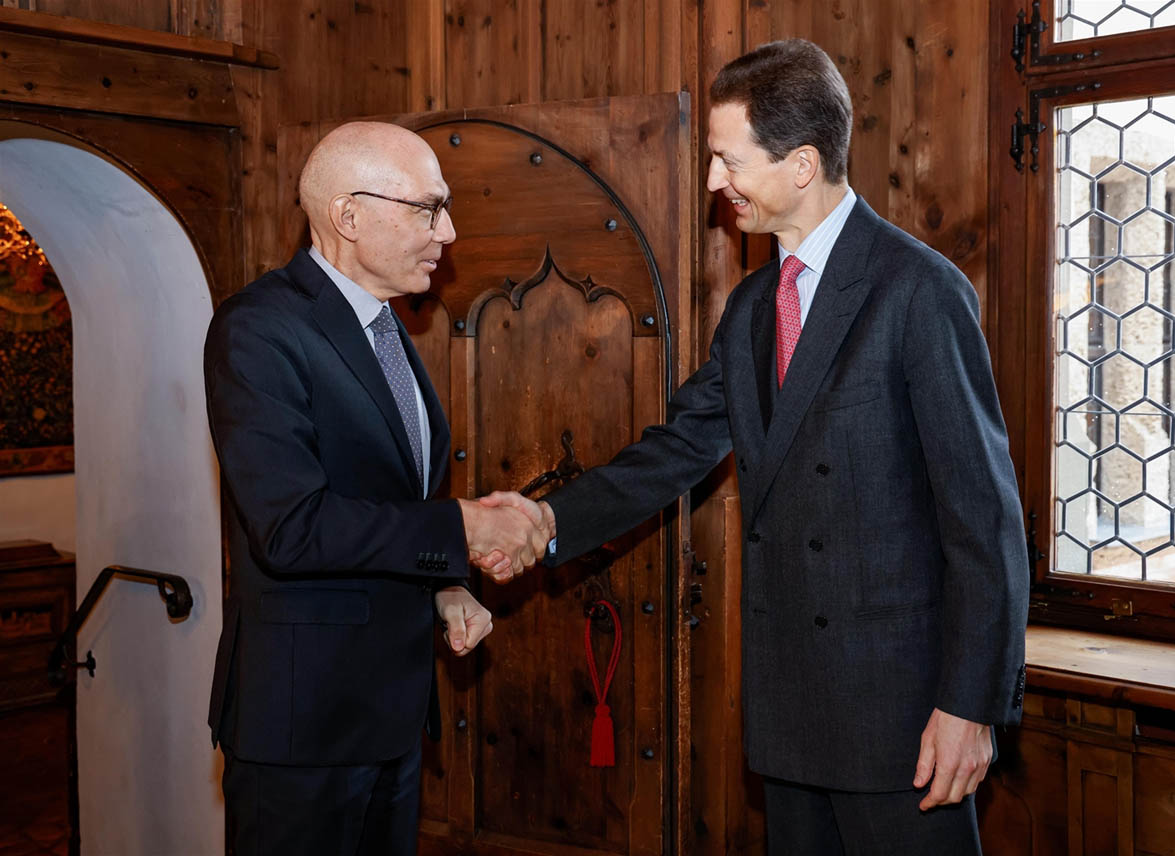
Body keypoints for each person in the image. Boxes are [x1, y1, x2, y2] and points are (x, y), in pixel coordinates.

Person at [483, 39, 1028, 854]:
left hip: (906, 724)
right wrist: (543, 520)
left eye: (725, 159)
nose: (712, 181)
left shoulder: (917, 291)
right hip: (791, 714)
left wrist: (971, 706)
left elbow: (985, 524)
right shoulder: (749, 309)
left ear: (802, 165)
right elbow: (674, 451)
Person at [203, 121, 548, 856]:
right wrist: (461, 531)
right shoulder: (259, 329)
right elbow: (293, 529)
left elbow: (389, 500)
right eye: (426, 208)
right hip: (303, 730)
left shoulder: (385, 328)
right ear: (347, 216)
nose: (447, 232)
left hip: (389, 717)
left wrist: (443, 586)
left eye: (444, 208)